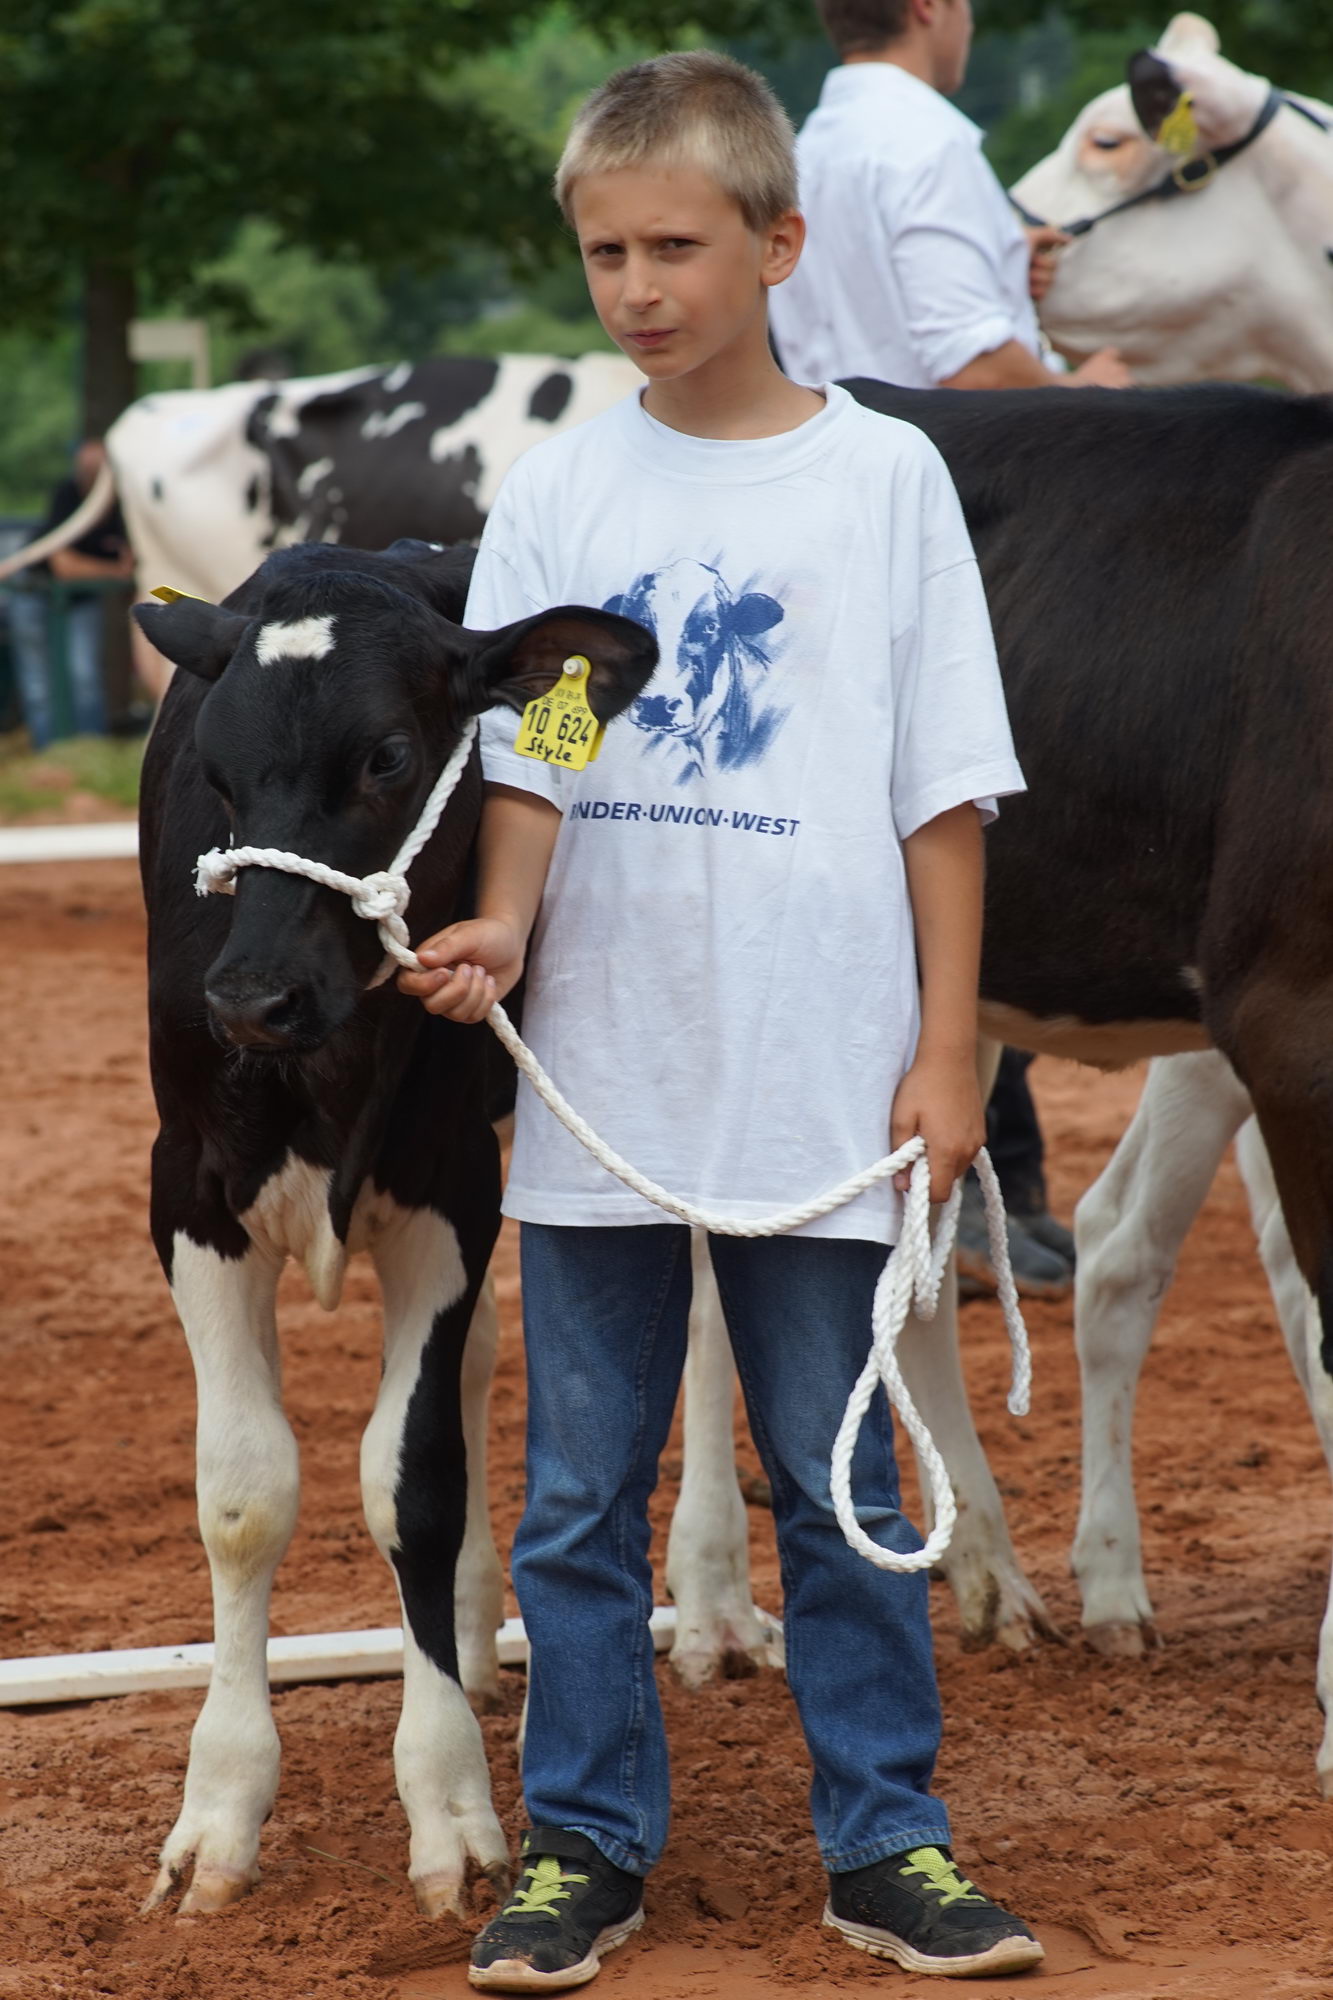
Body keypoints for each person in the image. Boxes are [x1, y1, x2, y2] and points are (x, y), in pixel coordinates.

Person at [402, 51, 1044, 1990]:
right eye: (604, 252)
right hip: (610, 1072)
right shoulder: (571, 487)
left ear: (780, 241)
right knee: (583, 1501)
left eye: (675, 244)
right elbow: (549, 752)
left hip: (823, 1074)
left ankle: (891, 1842)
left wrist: (948, 1052)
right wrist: (507, 929)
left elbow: (940, 785)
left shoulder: (883, 481)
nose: (637, 287)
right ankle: (585, 1843)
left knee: (834, 1481)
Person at [769, 0, 1130, 392]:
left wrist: (997, 260)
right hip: (944, 449)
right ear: (927, 6)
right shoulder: (929, 143)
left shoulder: (805, 151)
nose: (969, 23)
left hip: (830, 440)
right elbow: (973, 367)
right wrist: (1083, 390)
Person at [8, 438, 134, 747]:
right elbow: (63, 564)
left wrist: (98, 568)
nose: (90, 474)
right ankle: (50, 751)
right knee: (39, 682)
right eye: (85, 467)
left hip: (80, 598)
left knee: (85, 675)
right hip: (33, 590)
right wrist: (110, 569)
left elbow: (131, 563)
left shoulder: (123, 506)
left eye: (97, 468)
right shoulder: (67, 494)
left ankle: (89, 750)